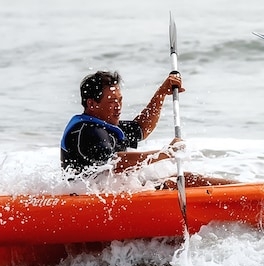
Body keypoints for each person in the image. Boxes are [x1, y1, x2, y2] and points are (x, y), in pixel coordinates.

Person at [61, 70, 236, 186]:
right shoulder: (87, 131)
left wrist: (162, 93)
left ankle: (244, 188)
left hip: (110, 193)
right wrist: (164, 153)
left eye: (120, 100)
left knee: (185, 177)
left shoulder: (105, 124)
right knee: (176, 183)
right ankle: (246, 196)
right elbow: (116, 163)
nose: (118, 107)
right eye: (112, 102)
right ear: (92, 103)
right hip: (88, 201)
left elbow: (141, 128)